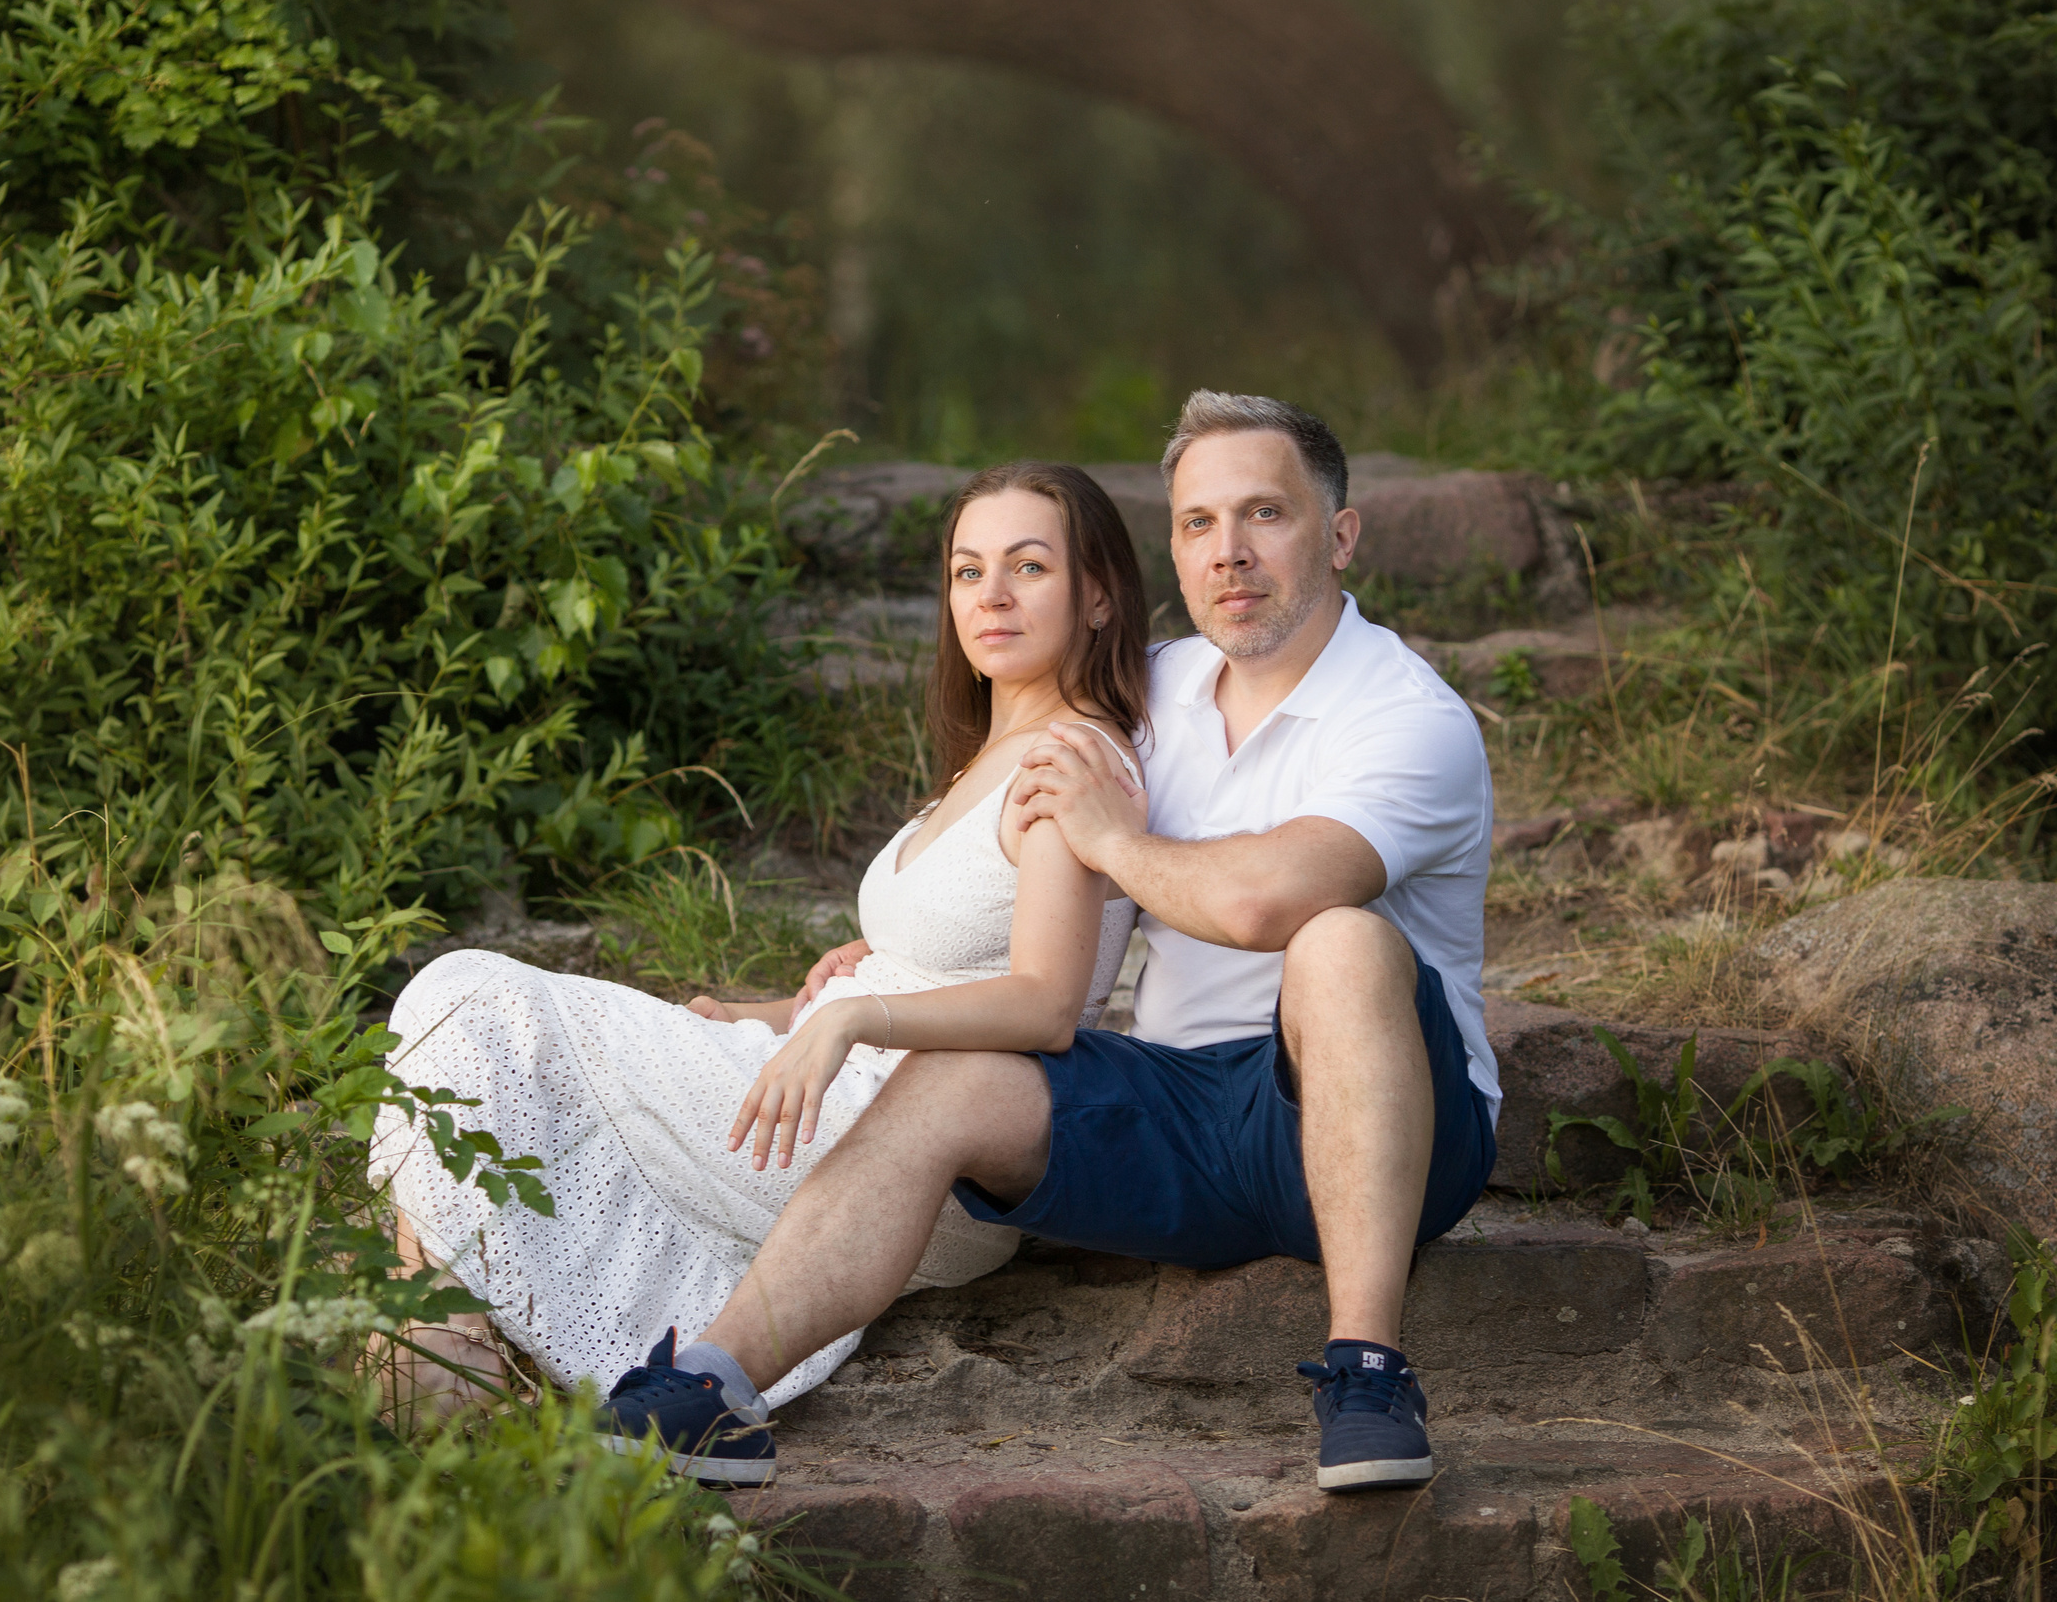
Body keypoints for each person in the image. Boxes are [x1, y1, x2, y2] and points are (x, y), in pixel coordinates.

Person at [599, 391, 1498, 1494]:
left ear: (1341, 533)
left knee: (1339, 942)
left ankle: (1368, 1372)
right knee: (950, 1078)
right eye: (1198, 522)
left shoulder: (1406, 716)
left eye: (1265, 513)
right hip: (1187, 1110)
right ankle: (712, 1384)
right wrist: (879, 967)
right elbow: (1016, 803)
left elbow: (1265, 904)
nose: (1229, 551)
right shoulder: (1161, 685)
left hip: (1383, 1112)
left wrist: (1113, 838)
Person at [368, 461, 1152, 1444]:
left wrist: (854, 1016)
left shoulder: (1070, 761)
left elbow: (1044, 1001)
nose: (990, 594)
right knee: (483, 1029)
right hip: (839, 1086)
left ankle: (431, 1344)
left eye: (1028, 566)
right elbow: (931, 962)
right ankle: (441, 1329)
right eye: (967, 570)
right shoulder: (986, 758)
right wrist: (770, 1013)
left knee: (463, 995)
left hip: (902, 1134)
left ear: (1098, 595)